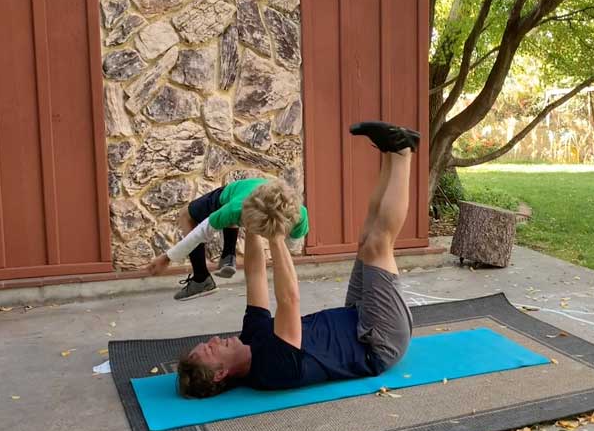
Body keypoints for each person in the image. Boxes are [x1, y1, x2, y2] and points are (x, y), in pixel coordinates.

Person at [176, 121, 420, 396]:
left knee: (366, 242)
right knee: (378, 246)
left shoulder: (250, 337)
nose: (214, 340)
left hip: (354, 317)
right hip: (377, 341)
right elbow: (289, 299)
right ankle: (403, 153)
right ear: (221, 373)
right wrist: (275, 234)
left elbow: (255, 275)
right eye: (210, 349)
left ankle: (389, 151)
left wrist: (252, 219)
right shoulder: (272, 369)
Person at [146, 178, 309, 301]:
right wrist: (167, 257)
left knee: (234, 219)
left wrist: (278, 246)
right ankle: (212, 268)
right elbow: (198, 233)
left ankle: (212, 270)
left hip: (252, 203)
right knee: (185, 214)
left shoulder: (300, 216)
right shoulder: (234, 208)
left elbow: (291, 248)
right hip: (236, 194)